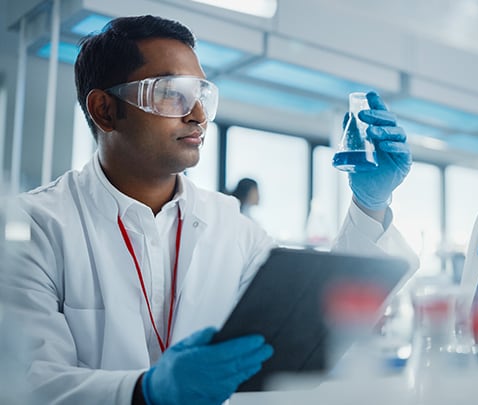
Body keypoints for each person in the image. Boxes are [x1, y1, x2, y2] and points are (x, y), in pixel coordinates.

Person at [0, 15, 417, 405]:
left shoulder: (231, 225)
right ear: (105, 110)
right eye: (171, 94)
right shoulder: (35, 226)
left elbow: (317, 324)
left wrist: (369, 203)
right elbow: (27, 382)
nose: (198, 116)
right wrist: (146, 391)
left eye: (201, 95)